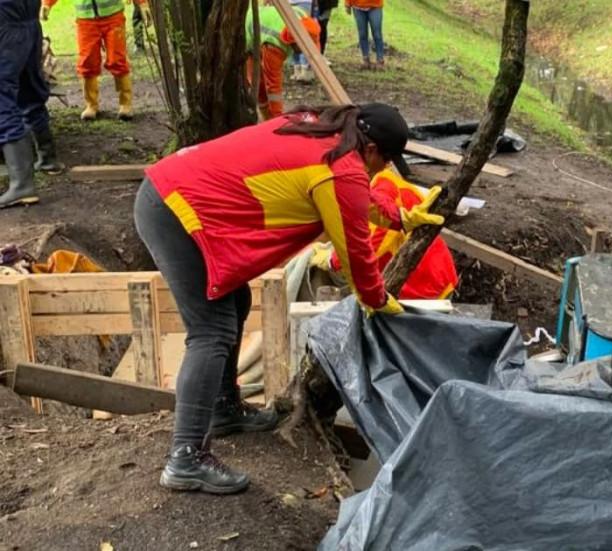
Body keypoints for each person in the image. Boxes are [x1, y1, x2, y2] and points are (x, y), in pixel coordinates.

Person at [134, 103, 443, 494]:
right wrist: (375, 298)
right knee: (211, 331)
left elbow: (352, 199)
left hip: (175, 194)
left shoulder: (324, 131)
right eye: (384, 162)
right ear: (371, 150)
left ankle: (223, 409)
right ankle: (186, 457)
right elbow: (354, 250)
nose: (381, 171)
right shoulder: (339, 167)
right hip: (176, 211)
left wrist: (399, 216)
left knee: (236, 302)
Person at [326, 166, 458, 299]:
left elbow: (375, 242)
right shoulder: (388, 180)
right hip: (437, 272)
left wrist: (332, 261)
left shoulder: (383, 191)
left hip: (424, 285)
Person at [40, 0, 151, 121]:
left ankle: (126, 103)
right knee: (87, 62)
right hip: (85, 19)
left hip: (113, 16)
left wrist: (142, 3)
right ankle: (91, 105)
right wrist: (47, 3)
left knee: (117, 59)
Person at [1, 0, 62, 209]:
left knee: (2, 98)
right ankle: (48, 157)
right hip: (29, 17)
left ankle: (21, 184)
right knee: (29, 92)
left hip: (6, 20)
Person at [245, 3, 320, 120]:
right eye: (301, 48)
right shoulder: (275, 46)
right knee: (259, 85)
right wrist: (277, 119)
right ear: (294, 42)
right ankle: (267, 122)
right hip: (246, 35)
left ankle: (268, 121)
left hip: (261, 26)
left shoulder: (303, 20)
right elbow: (273, 87)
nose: (303, 52)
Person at [346, 0, 383, 69]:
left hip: (375, 6)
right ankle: (365, 59)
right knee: (362, 34)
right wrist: (347, 3)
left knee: (377, 34)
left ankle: (380, 60)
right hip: (357, 7)